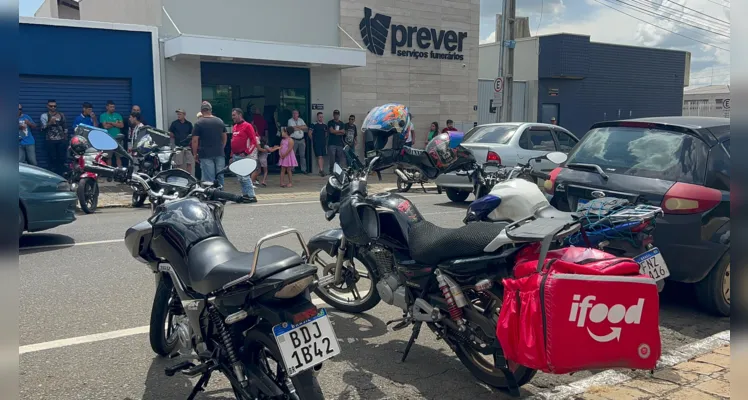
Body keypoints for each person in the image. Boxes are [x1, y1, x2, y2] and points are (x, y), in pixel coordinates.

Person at [192, 101, 228, 186]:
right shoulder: (219, 121)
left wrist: (194, 154)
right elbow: (224, 136)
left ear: (201, 111)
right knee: (220, 176)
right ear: (210, 110)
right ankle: (221, 194)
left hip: (205, 153)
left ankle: (211, 196)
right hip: (219, 152)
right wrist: (222, 146)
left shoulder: (199, 123)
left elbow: (194, 140)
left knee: (209, 177)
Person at [229, 108, 259, 203]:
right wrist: (231, 155)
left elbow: (253, 141)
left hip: (243, 155)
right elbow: (233, 141)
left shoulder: (247, 126)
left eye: (234, 115)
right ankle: (245, 195)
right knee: (240, 178)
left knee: (245, 176)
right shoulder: (235, 127)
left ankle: (251, 195)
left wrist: (246, 152)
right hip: (236, 155)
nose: (232, 117)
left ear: (239, 115)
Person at [40, 99, 68, 175]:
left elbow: (65, 127)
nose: (53, 108)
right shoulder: (44, 116)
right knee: (52, 158)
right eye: (51, 106)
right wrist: (50, 122)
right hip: (50, 140)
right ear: (47, 106)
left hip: (61, 140)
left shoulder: (61, 115)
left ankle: (62, 174)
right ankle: (52, 174)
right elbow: (42, 128)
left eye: (54, 106)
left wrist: (65, 138)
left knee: (62, 158)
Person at [169, 109, 195, 175]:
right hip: (178, 146)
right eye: (178, 114)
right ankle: (179, 176)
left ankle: (189, 176)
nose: (178, 116)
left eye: (180, 114)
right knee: (178, 163)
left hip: (187, 146)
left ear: (184, 115)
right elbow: (171, 133)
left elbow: (191, 134)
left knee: (189, 162)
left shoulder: (189, 124)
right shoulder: (174, 123)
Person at [100, 100, 124, 166]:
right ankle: (109, 172)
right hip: (108, 138)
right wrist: (116, 124)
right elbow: (105, 126)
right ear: (107, 107)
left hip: (118, 138)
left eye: (113, 107)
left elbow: (121, 125)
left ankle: (120, 170)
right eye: (111, 107)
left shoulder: (118, 115)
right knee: (108, 157)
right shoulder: (103, 116)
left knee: (118, 156)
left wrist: (111, 123)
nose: (113, 108)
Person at [287, 109, 308, 174]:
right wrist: (300, 127)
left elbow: (306, 127)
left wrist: (297, 127)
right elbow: (291, 129)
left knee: (302, 155)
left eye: (296, 113)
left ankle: (303, 169)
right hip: (294, 140)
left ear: (298, 114)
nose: (295, 114)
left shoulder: (301, 120)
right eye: (293, 113)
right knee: (293, 155)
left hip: (301, 140)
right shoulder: (290, 120)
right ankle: (292, 169)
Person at [309, 112, 328, 176]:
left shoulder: (324, 125)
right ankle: (321, 170)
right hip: (317, 143)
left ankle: (321, 169)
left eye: (322, 117)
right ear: (317, 117)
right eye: (320, 117)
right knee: (319, 156)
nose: (321, 118)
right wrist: (314, 140)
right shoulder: (313, 124)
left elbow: (326, 134)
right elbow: (310, 133)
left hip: (323, 143)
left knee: (322, 157)